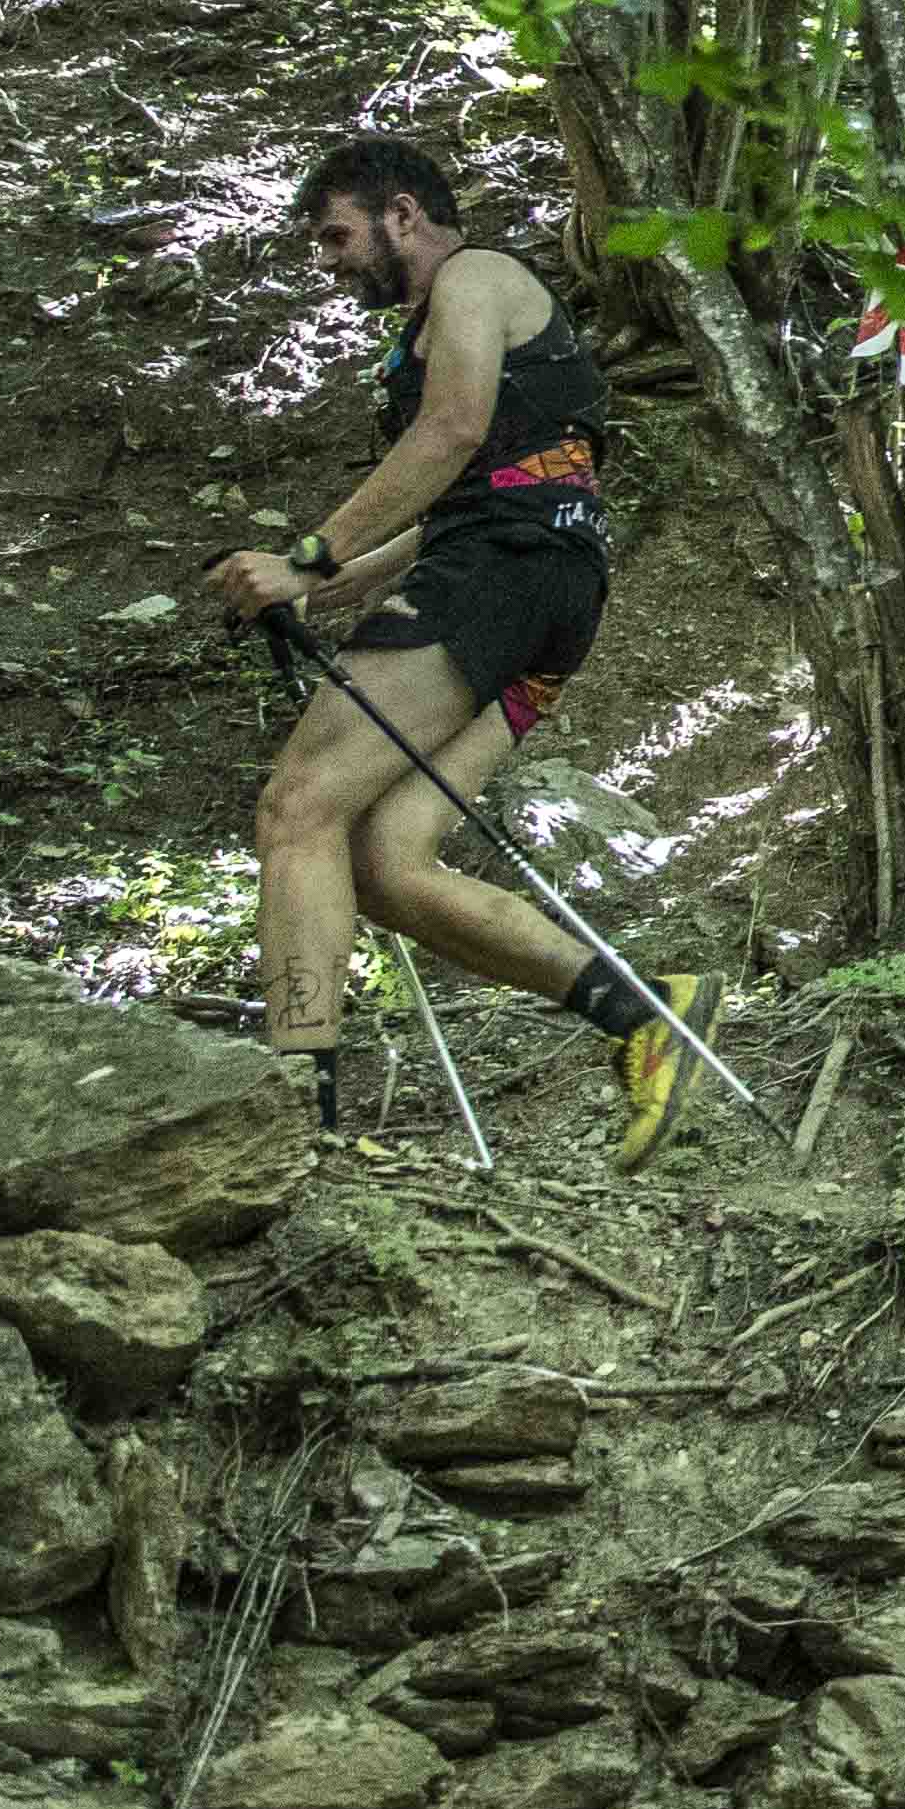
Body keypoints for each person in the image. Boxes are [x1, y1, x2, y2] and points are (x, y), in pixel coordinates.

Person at [200, 132, 697, 1167]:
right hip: (543, 585)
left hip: (504, 576)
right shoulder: (449, 320)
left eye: (337, 234)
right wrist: (326, 580)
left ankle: (302, 1119)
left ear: (404, 215)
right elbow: (465, 494)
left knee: (298, 808)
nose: (329, 259)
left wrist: (306, 553)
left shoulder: (476, 275)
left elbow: (454, 430)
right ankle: (647, 1019)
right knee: (384, 859)